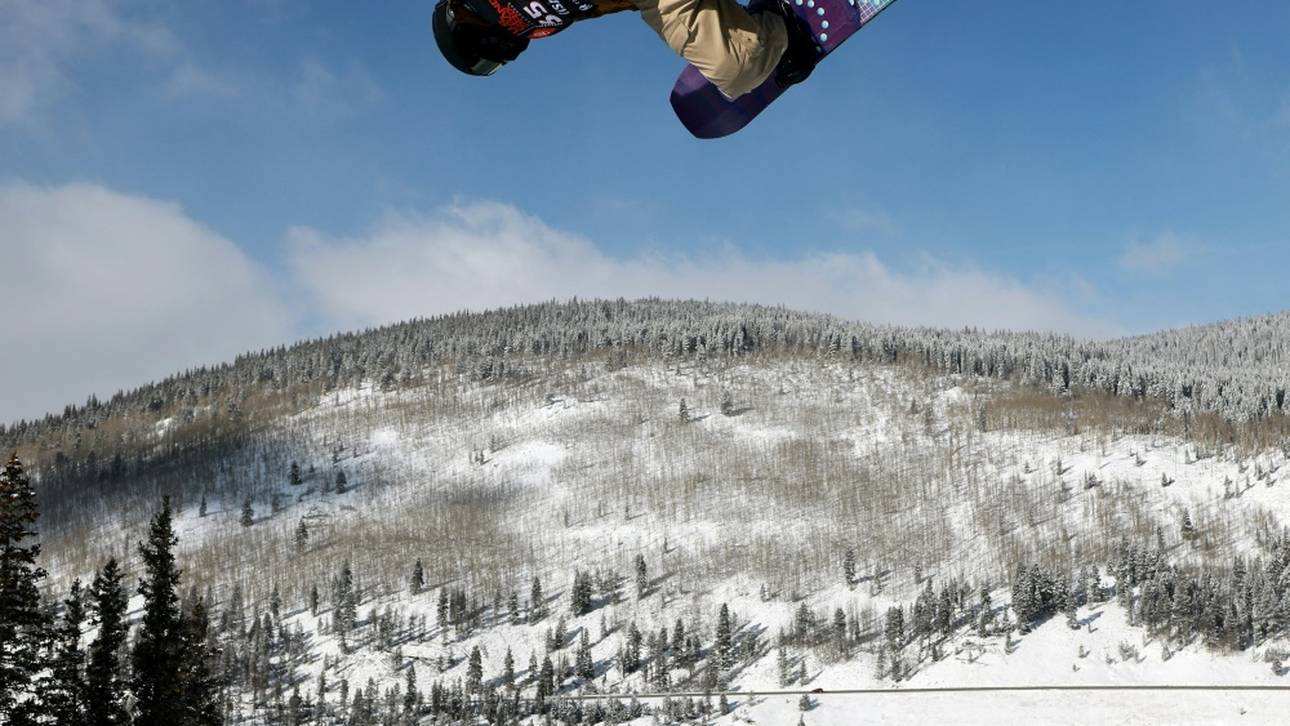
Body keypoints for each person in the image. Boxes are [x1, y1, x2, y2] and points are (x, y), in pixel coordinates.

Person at [432, 0, 820, 98]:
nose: (504, 57)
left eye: (486, 61)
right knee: (740, 69)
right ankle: (773, 28)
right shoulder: (535, 25)